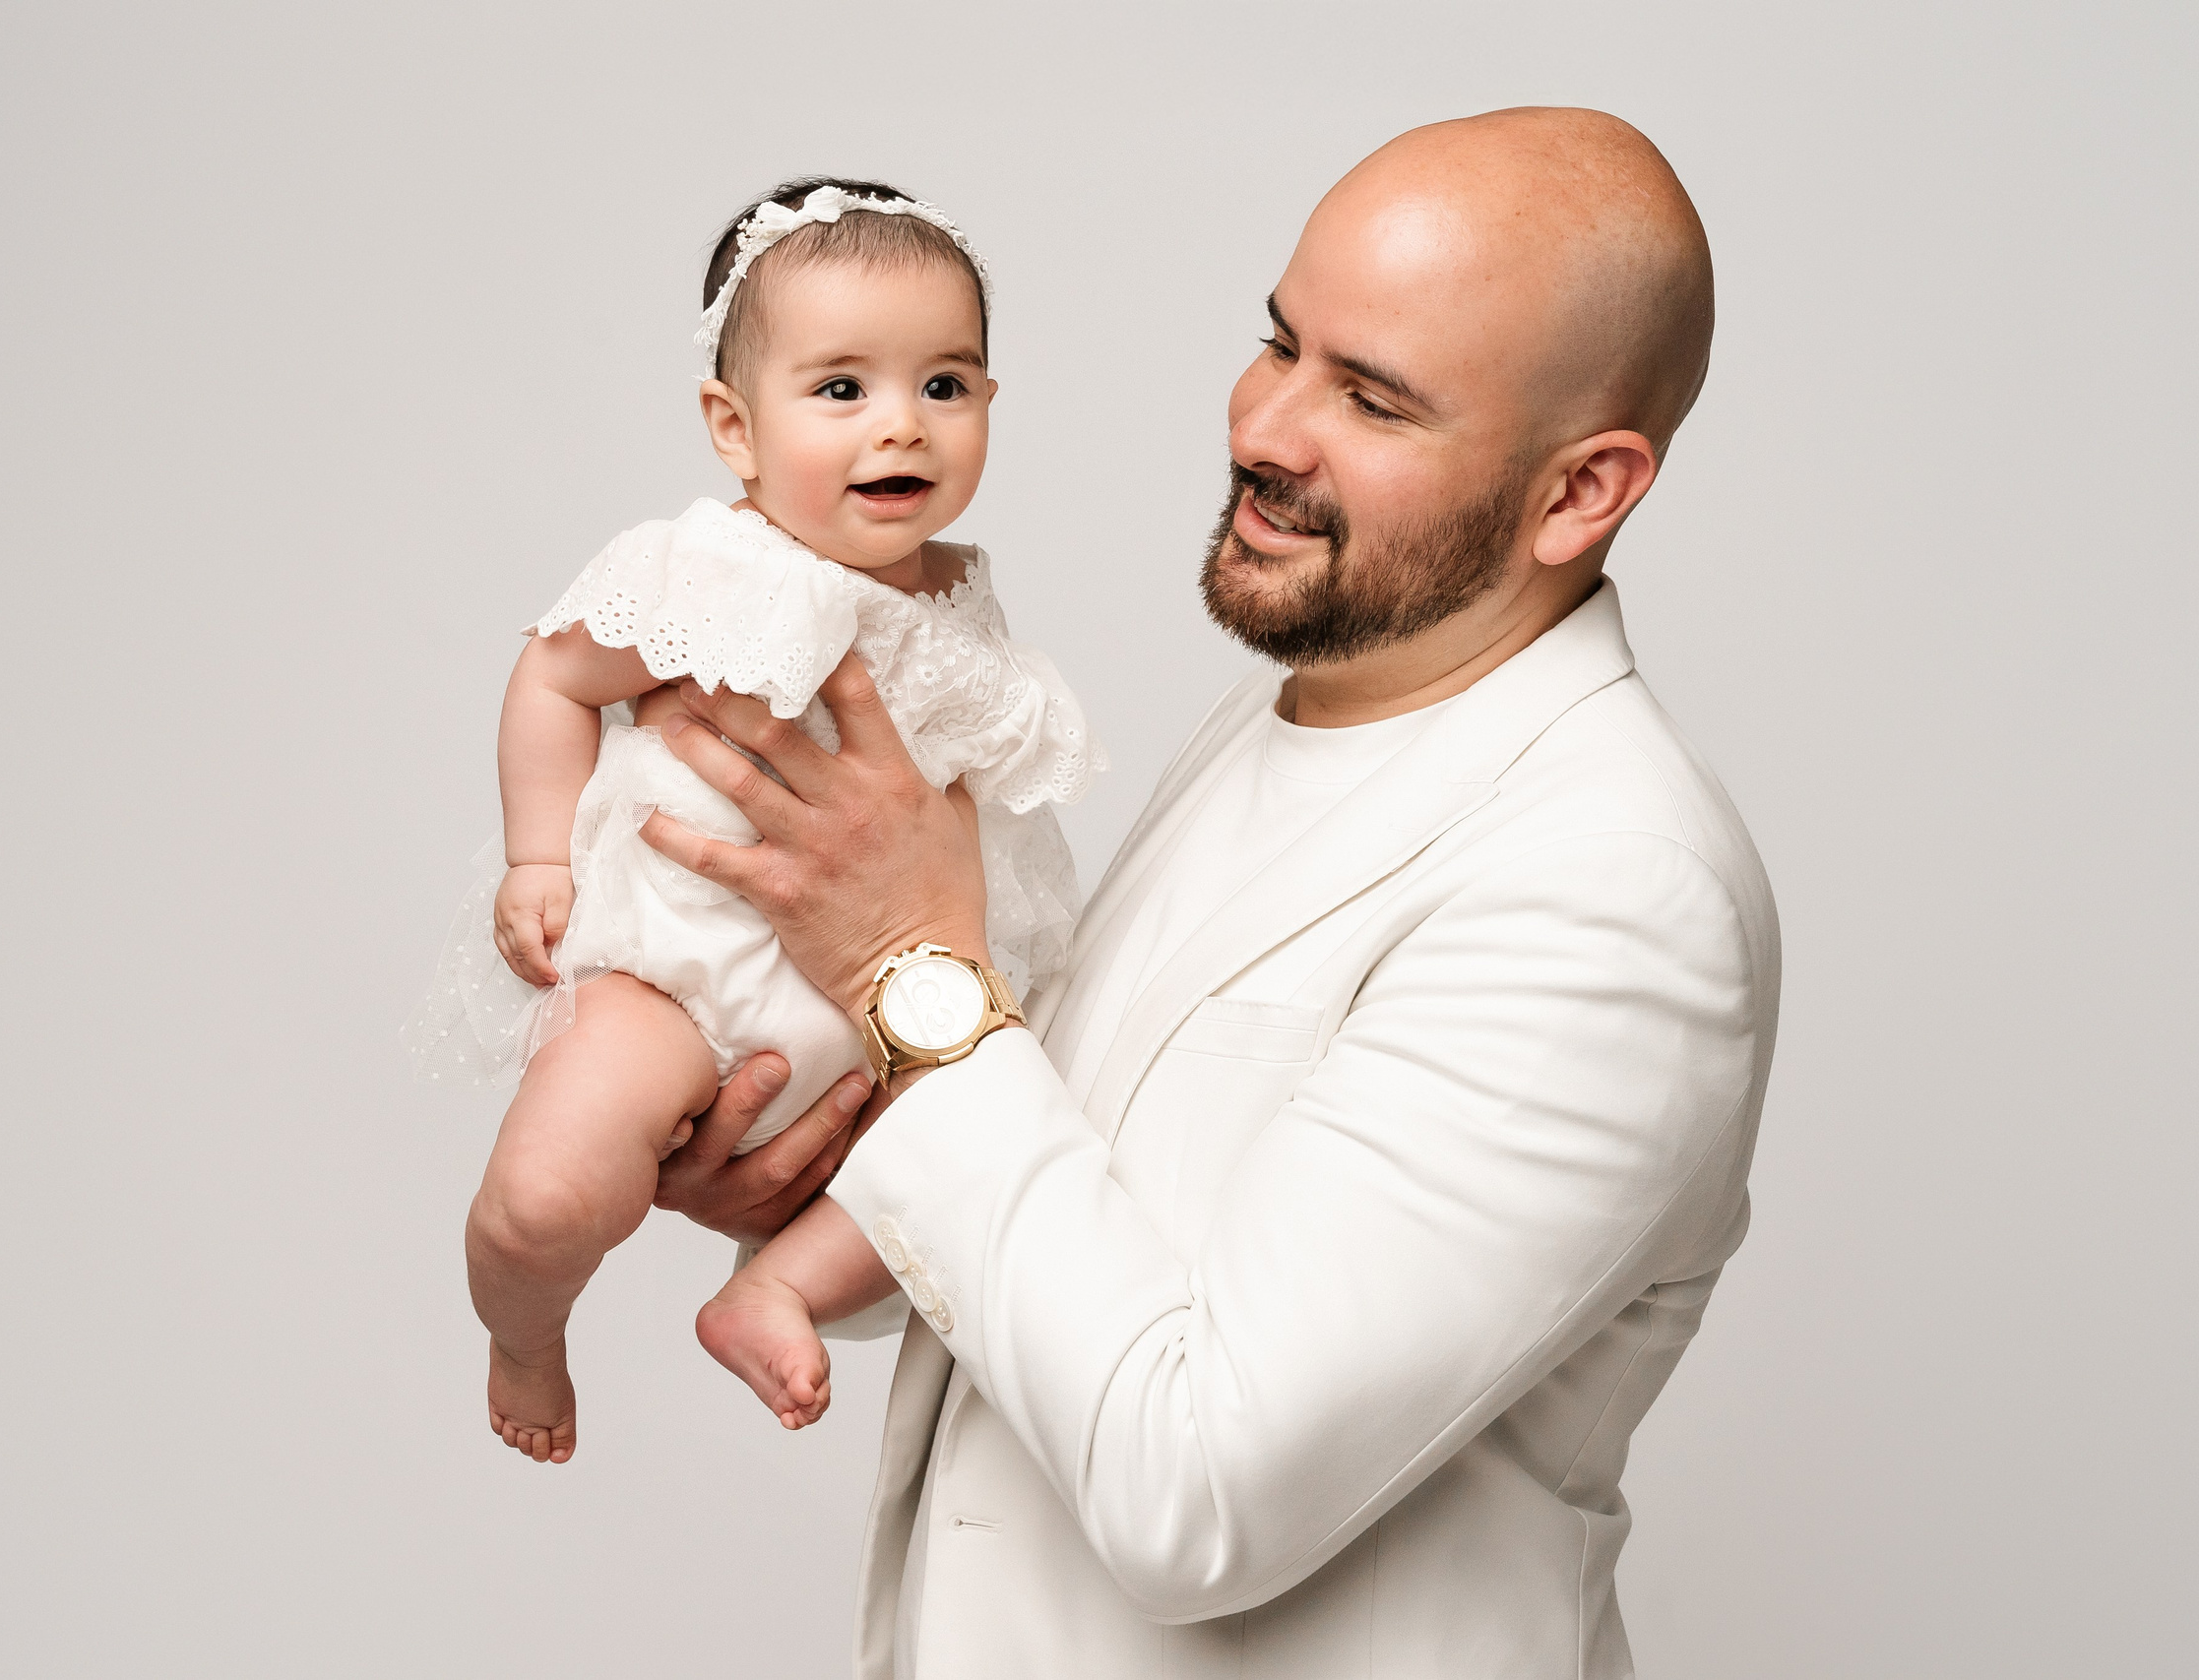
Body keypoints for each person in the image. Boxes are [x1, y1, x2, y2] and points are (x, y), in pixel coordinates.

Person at [640, 109, 1781, 1678]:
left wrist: (908, 973)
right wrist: (808, 1157)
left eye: (1371, 397)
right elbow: (1086, 1218)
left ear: (1579, 491)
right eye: (1279, 342)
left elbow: (1199, 1490)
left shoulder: (1614, 895)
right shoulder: (1298, 710)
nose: (1265, 427)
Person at [402, 179, 1105, 1463]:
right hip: (674, 971)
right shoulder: (711, 573)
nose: (902, 425)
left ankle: (771, 1289)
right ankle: (525, 1330)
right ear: (735, 426)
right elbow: (555, 676)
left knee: (956, 1180)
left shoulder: (967, 613)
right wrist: (540, 855)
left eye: (944, 386)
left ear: (990, 404)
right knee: (545, 1193)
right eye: (842, 390)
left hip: (882, 1008)